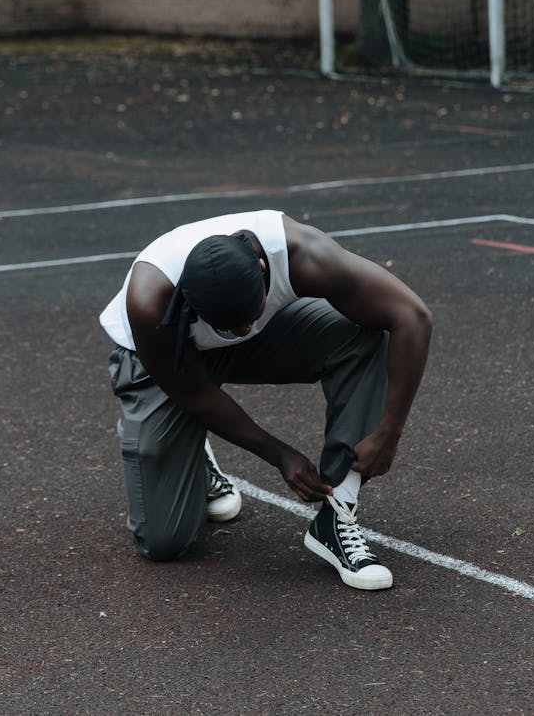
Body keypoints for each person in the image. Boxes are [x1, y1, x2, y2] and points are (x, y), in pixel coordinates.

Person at [100, 209, 432, 591]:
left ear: (262, 269)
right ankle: (195, 453)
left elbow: (412, 316)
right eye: (229, 325)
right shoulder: (148, 300)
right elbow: (193, 392)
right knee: (164, 543)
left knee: (363, 333)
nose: (240, 329)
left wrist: (389, 433)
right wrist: (280, 454)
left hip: (259, 342)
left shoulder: (306, 255)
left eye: (246, 316)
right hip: (172, 359)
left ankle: (337, 516)